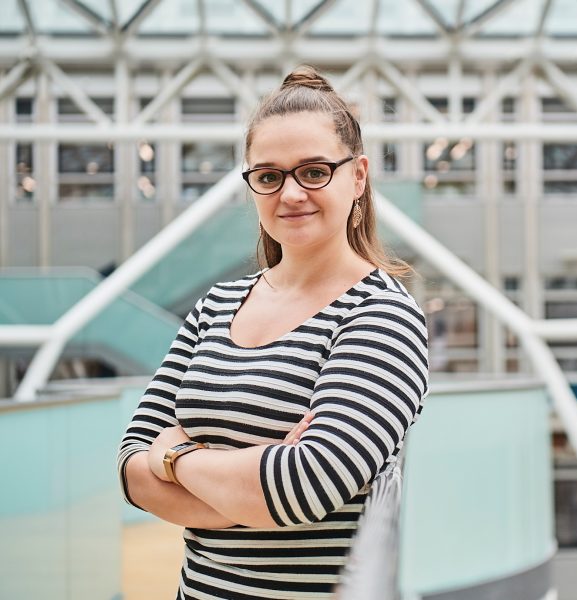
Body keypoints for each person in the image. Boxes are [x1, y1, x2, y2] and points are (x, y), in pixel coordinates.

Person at [116, 65, 429, 599]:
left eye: (313, 171)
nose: (290, 194)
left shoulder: (383, 317)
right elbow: (130, 468)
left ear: (358, 177)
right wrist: (253, 487)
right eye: (268, 176)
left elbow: (303, 487)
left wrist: (177, 458)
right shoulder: (216, 305)